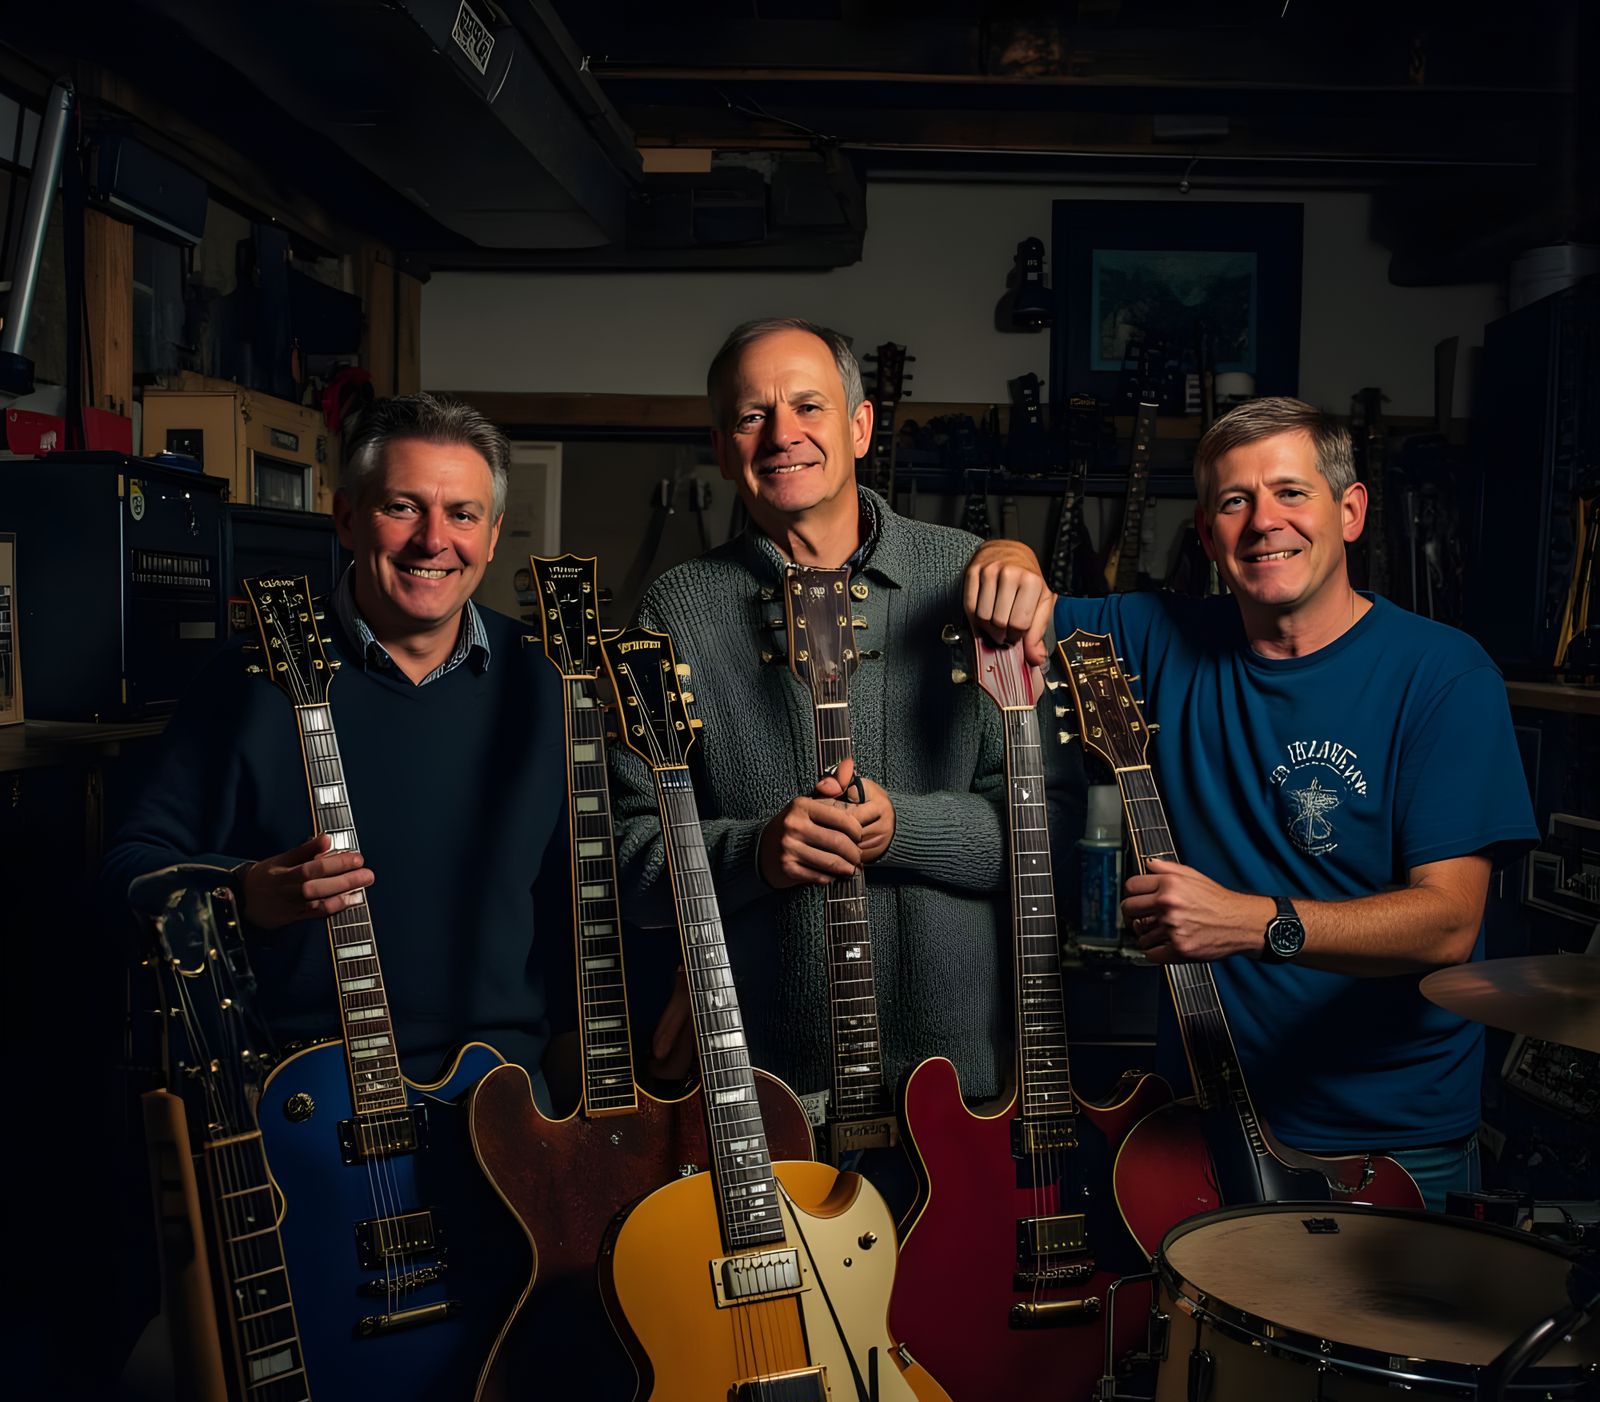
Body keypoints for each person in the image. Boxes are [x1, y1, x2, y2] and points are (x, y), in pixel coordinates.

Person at [963, 395, 1537, 1209]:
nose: (1264, 522)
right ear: (1206, 535)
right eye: (1235, 501)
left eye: (1291, 493)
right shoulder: (1157, 636)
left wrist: (1252, 921)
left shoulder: (1442, 675)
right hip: (1204, 1128)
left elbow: (1448, 923)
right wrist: (1007, 549)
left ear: (1350, 511)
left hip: (1392, 1144)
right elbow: (1018, 611)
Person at [610, 317, 1081, 1102]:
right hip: (768, 1093)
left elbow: (1049, 836)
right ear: (723, 449)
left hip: (965, 1089)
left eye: (809, 407)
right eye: (752, 415)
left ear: (860, 427)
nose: (781, 435)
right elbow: (627, 861)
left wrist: (903, 827)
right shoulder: (675, 611)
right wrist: (758, 852)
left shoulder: (976, 581)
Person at [104, 392, 573, 1083]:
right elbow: (123, 871)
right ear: (347, 519)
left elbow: (579, 908)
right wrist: (244, 894)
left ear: (493, 534)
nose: (433, 540)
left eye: (462, 514)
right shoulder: (250, 680)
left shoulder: (551, 684)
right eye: (402, 507)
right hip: (306, 1091)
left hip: (501, 1096)